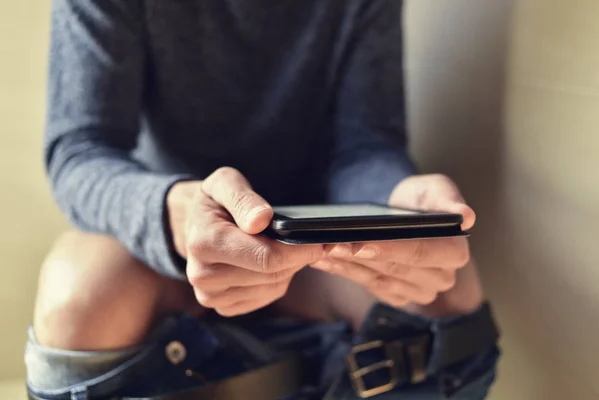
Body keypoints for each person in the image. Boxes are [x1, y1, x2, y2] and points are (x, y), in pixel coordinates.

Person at [26, 0, 500, 399]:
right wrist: (176, 213)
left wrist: (395, 196)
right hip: (168, 251)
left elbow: (366, 142)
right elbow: (81, 150)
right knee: (82, 301)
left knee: (444, 291)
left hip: (312, 258)